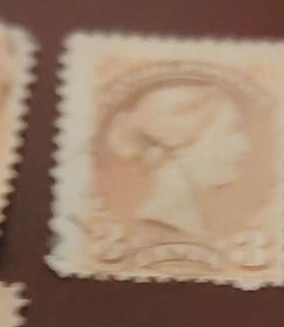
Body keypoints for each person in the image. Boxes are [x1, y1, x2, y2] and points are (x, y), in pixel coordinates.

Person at [107, 84, 250, 237]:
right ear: (180, 147)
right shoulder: (164, 225)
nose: (245, 146)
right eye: (229, 131)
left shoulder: (190, 225)